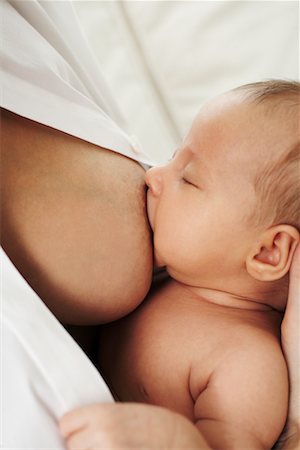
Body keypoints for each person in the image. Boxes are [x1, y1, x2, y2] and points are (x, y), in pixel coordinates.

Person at [59, 80, 300, 450]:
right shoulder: (167, 277)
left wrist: (176, 439)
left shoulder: (248, 361)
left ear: (267, 252)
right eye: (174, 155)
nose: (155, 175)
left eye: (188, 178)